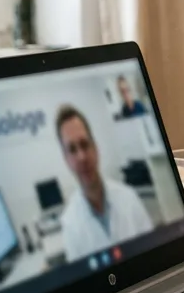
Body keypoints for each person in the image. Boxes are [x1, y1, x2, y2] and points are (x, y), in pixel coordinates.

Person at [56, 105, 156, 262]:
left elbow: (154, 253)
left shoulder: (129, 197)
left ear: (95, 147)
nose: (81, 157)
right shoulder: (70, 224)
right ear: (66, 160)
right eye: (72, 149)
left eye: (84, 144)